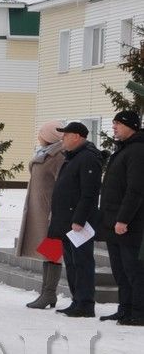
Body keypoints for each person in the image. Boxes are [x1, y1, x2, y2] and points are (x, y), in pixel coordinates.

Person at [47, 121, 102, 317]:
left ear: (77, 136)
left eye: (66, 135)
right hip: (66, 221)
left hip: (78, 223)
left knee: (82, 262)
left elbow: (89, 192)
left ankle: (85, 303)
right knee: (71, 262)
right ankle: (76, 300)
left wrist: (79, 219)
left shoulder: (88, 158)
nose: (62, 138)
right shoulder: (73, 157)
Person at [98, 109, 144, 325]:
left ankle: (139, 312)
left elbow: (135, 189)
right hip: (113, 222)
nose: (114, 127)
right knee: (120, 271)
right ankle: (124, 308)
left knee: (133, 270)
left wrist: (123, 219)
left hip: (129, 225)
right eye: (113, 122)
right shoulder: (123, 150)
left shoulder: (137, 151)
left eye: (118, 123)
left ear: (131, 126)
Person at [20, 121, 68, 308]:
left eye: (40, 134)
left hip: (49, 211)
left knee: (53, 252)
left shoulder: (58, 155)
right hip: (39, 210)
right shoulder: (46, 153)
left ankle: (49, 294)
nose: (38, 137)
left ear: (48, 136)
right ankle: (46, 292)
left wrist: (55, 211)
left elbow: (61, 186)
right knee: (48, 253)